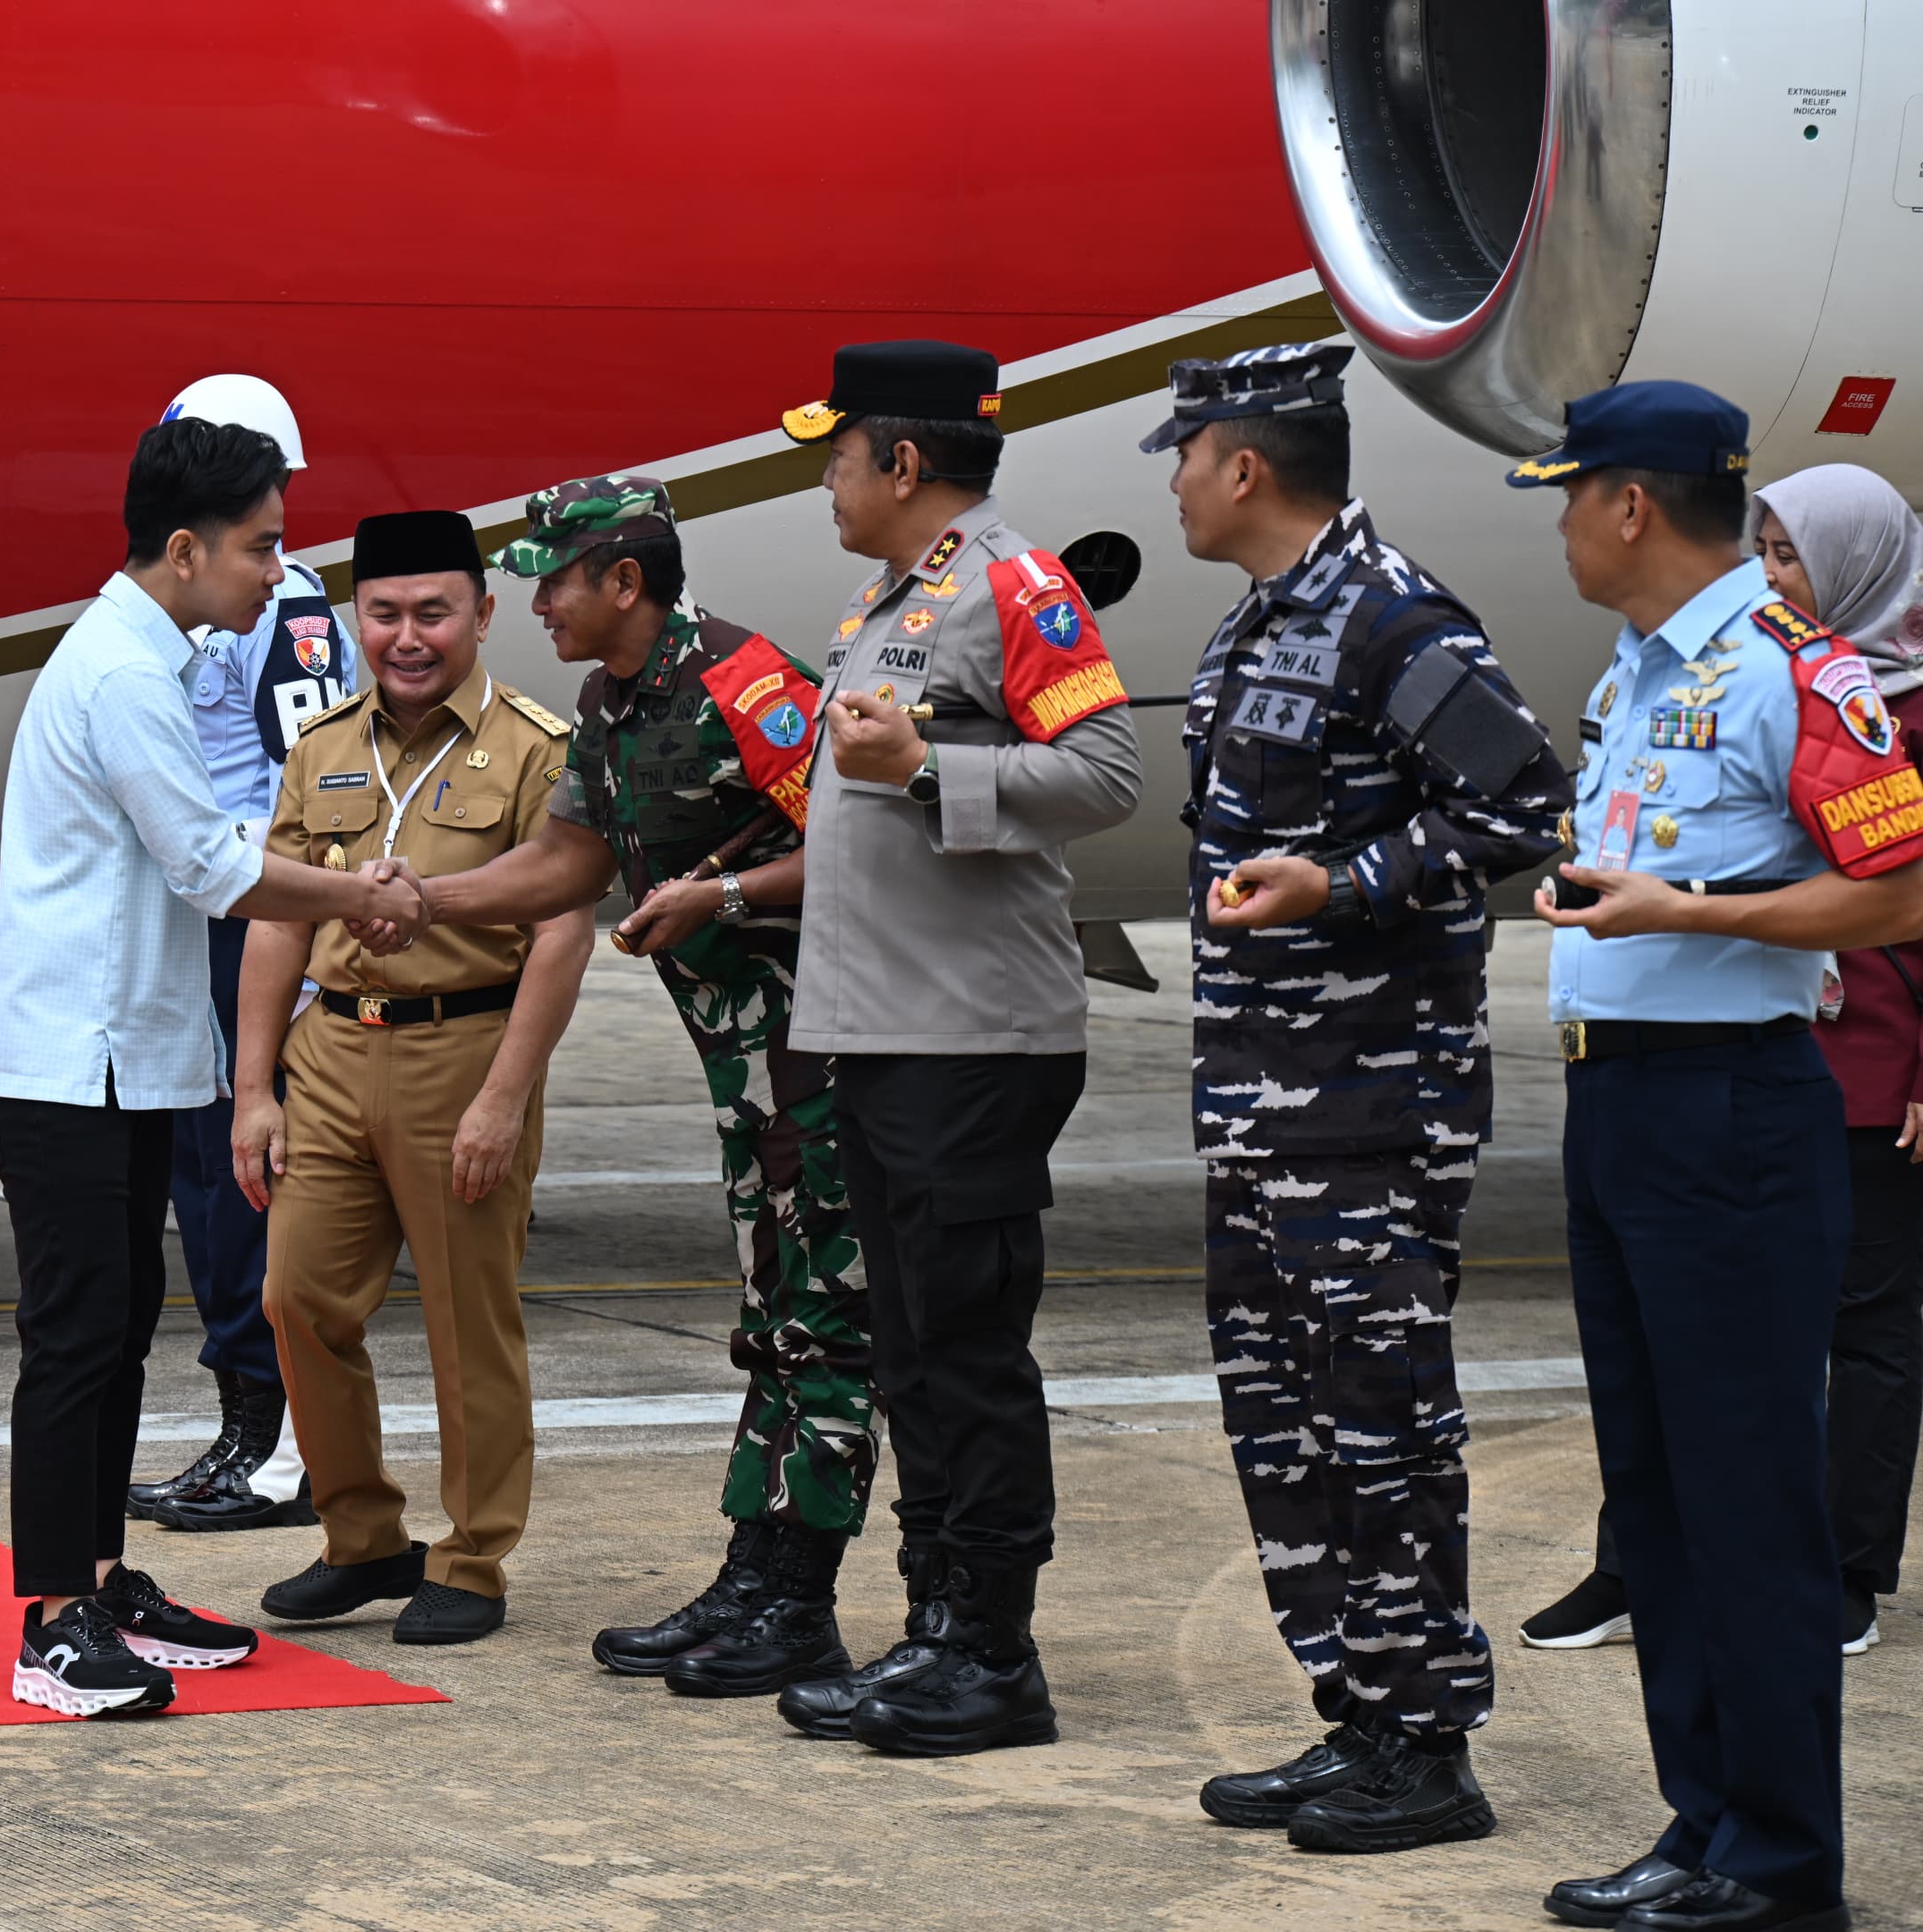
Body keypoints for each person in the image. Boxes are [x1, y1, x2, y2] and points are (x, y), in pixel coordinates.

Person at [1146, 344, 1567, 1852]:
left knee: (1385, 1425)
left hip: (1372, 1108)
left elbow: (1522, 800)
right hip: (1266, 1107)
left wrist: (1345, 882)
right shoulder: (1261, 622)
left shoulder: (1391, 616)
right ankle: (1362, 1712)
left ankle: (1430, 1744)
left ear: (1243, 467)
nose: (1177, 480)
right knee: (1289, 1426)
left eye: (1185, 454)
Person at [1512, 385, 1923, 1932]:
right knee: (1664, 1495)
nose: (1557, 523)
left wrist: (1689, 916)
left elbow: (1901, 893)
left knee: (1749, 1497)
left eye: (1569, 495)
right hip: (1620, 1108)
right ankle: (1704, 1826)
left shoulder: (1793, 673)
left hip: (1732, 1110)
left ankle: (1783, 1865)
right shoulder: (1636, 674)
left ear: (1630, 505)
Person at [0, 418, 433, 1719]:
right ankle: (52, 1624)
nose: (279, 575)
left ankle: (101, 1581)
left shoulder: (147, 657)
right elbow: (212, 866)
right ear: (185, 550)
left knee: (111, 1334)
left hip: (116, 1059)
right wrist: (358, 891)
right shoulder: (120, 673)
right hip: (63, 1061)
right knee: (73, 1339)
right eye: (263, 548)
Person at [401, 473, 877, 1697]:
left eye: (554, 581)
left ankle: (802, 1603)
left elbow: (865, 843)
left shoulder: (745, 686)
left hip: (826, 1052)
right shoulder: (613, 702)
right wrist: (414, 898)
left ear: (625, 581)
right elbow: (569, 859)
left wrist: (726, 895)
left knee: (824, 1318)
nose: (539, 604)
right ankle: (754, 1574)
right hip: (752, 1067)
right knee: (776, 1316)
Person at [763, 341, 1144, 1758]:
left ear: (901, 462)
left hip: (973, 1042)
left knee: (967, 1350)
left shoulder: (1013, 587)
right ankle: (933, 1628)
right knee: (912, 1350)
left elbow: (1105, 775)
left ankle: (993, 1650)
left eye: (837, 450)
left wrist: (923, 768)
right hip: (885, 1034)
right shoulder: (891, 597)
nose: (825, 478)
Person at [235, 509, 596, 1646]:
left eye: (434, 612)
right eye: (384, 612)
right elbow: (276, 922)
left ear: (482, 616)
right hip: (332, 1053)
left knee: (465, 1322)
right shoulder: (323, 745)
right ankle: (362, 1538)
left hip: (463, 1052)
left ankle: (474, 1557)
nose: (407, 636)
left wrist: (504, 1096)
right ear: (356, 618)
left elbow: (562, 932)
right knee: (296, 1299)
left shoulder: (539, 749)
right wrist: (254, 1089)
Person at [123, 375, 352, 1535]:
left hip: (233, 917)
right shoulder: (309, 597)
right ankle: (274, 1433)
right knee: (229, 1178)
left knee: (229, 1186)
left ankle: (266, 1441)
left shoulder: (222, 604)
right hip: (268, 911)